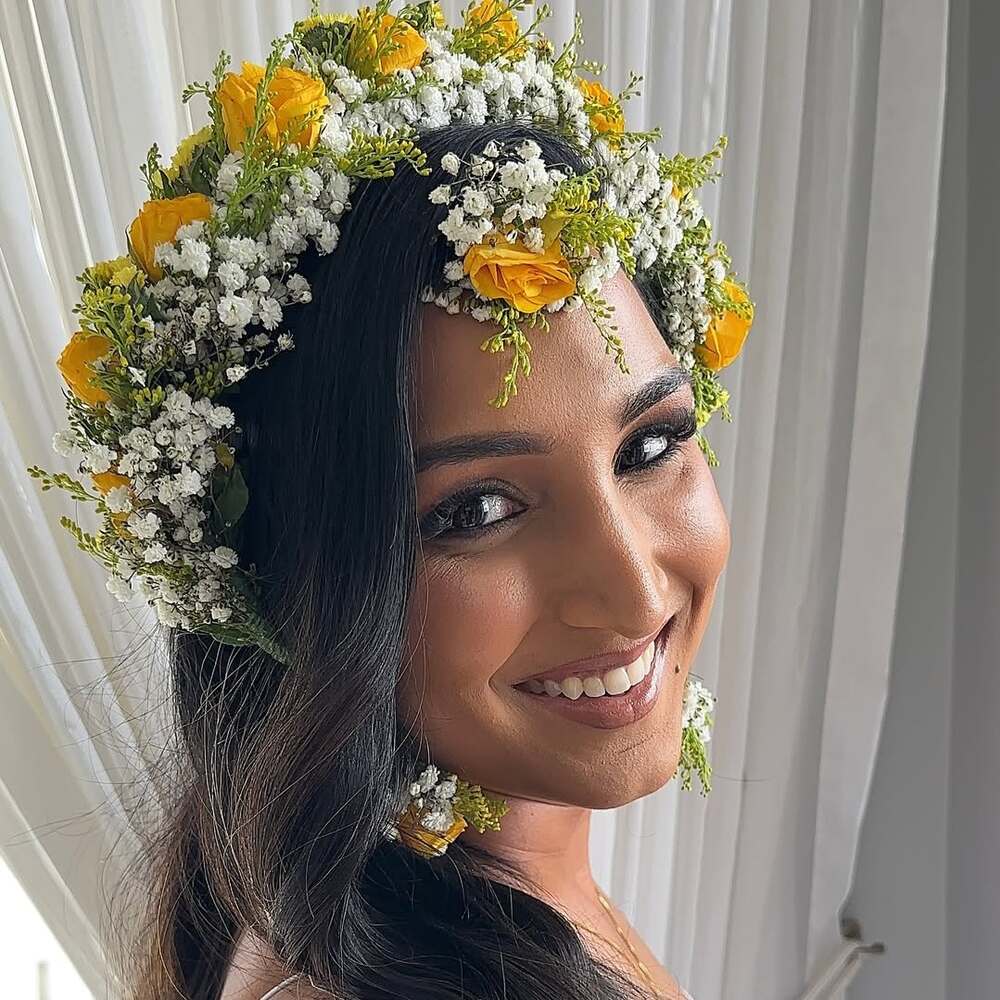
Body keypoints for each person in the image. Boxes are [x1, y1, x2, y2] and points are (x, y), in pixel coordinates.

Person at [33, 6, 752, 998]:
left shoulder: (506, 897)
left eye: (650, 446)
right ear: (285, 579)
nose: (633, 593)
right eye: (477, 511)